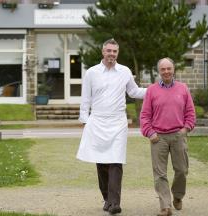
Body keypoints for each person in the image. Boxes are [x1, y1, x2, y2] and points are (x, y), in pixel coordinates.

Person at [76, 38, 146, 215]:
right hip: (97, 121)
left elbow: (134, 91)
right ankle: (107, 198)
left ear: (118, 53)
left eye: (114, 51)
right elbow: (85, 99)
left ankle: (115, 203)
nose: (111, 54)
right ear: (103, 51)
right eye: (109, 51)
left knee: (116, 161)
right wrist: (85, 121)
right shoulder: (91, 72)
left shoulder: (124, 71)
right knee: (101, 163)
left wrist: (155, 90)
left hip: (118, 122)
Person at [140, 57, 196, 216]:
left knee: (181, 170)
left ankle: (178, 196)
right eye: (163, 69)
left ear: (173, 70)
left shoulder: (183, 88)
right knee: (160, 174)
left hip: (178, 135)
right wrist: (150, 133)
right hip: (158, 138)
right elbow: (144, 115)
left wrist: (186, 129)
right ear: (159, 71)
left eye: (168, 68)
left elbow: (190, 113)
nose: (166, 71)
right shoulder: (151, 90)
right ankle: (165, 206)